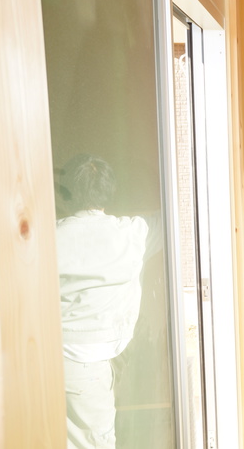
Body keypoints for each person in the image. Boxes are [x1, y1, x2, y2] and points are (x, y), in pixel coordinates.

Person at [55, 154, 157, 448]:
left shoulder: (48, 237)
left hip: (51, 357)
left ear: (66, 192)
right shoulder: (132, 234)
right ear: (109, 192)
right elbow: (171, 217)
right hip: (86, 366)